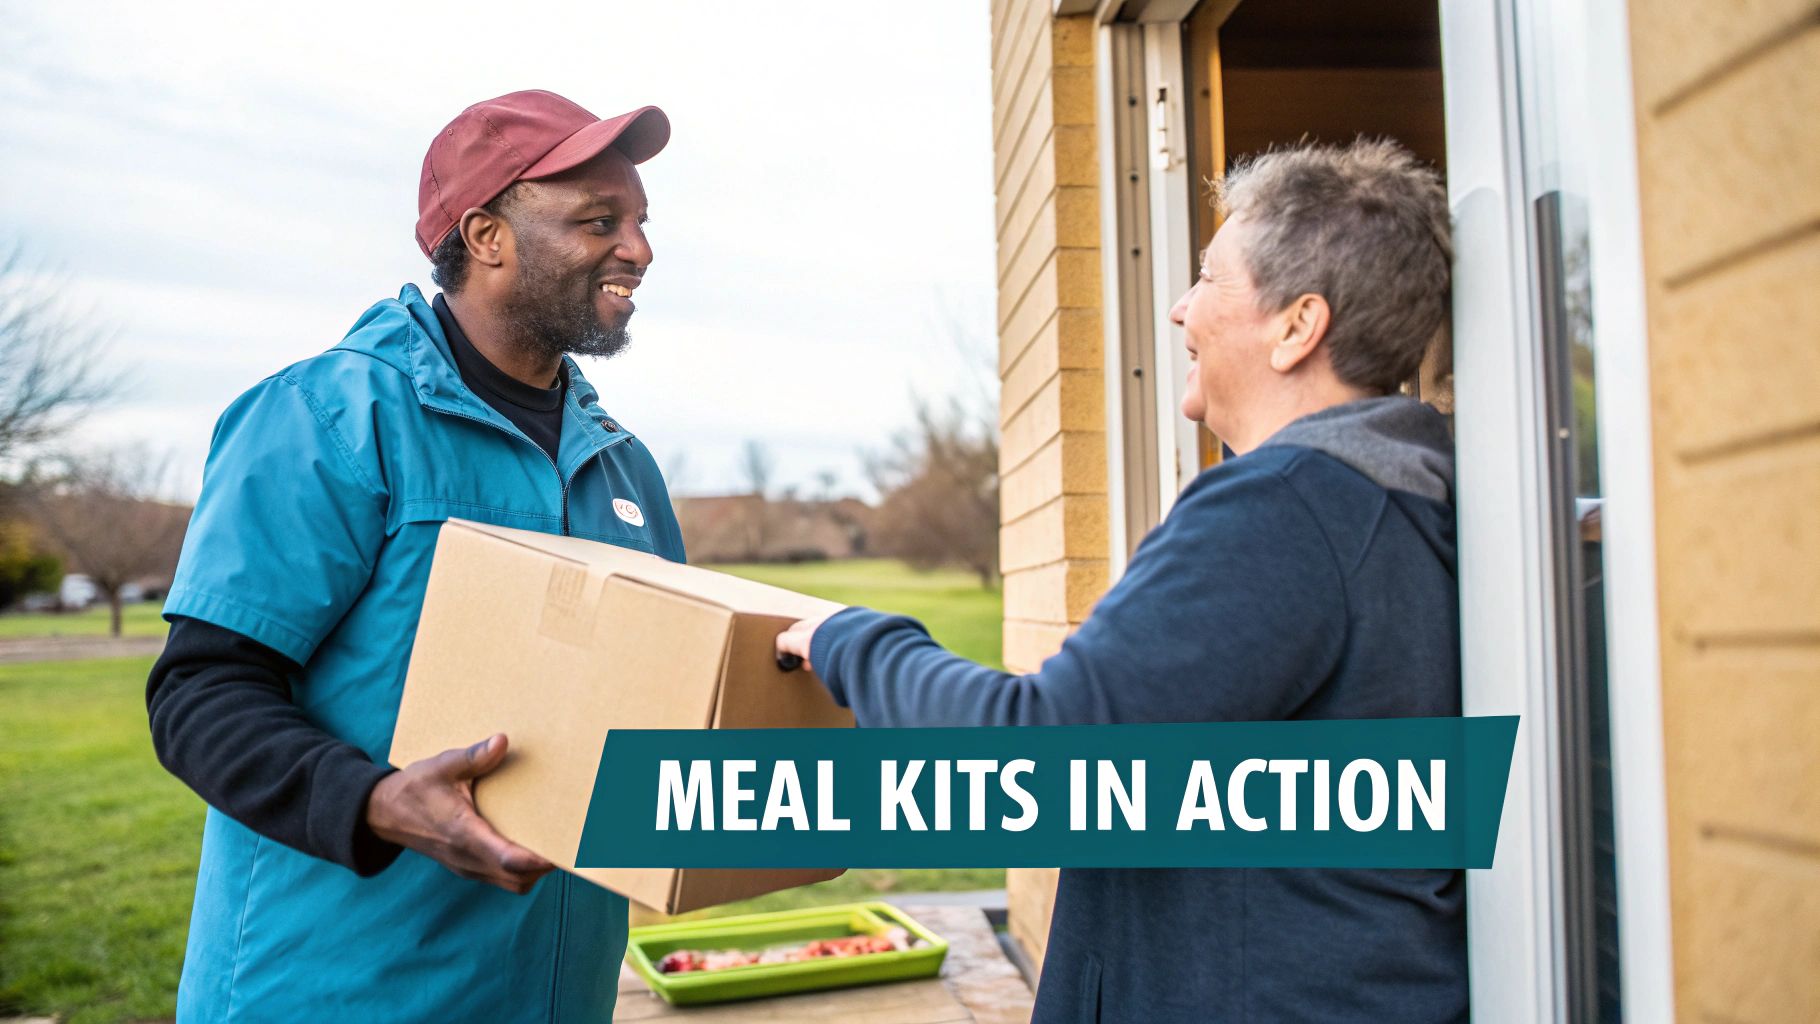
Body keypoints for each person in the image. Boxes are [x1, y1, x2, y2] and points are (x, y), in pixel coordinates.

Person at [776, 139, 1466, 1022]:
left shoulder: (1287, 509)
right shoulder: (1401, 497)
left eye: (1211, 279)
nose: (1182, 310)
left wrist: (853, 641)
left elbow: (1040, 764)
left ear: (1298, 326)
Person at [146, 90, 684, 1022]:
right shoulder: (328, 417)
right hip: (336, 991)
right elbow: (200, 695)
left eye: (640, 221)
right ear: (485, 235)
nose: (638, 248)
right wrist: (379, 802)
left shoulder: (622, 464)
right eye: (601, 220)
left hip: (555, 995)